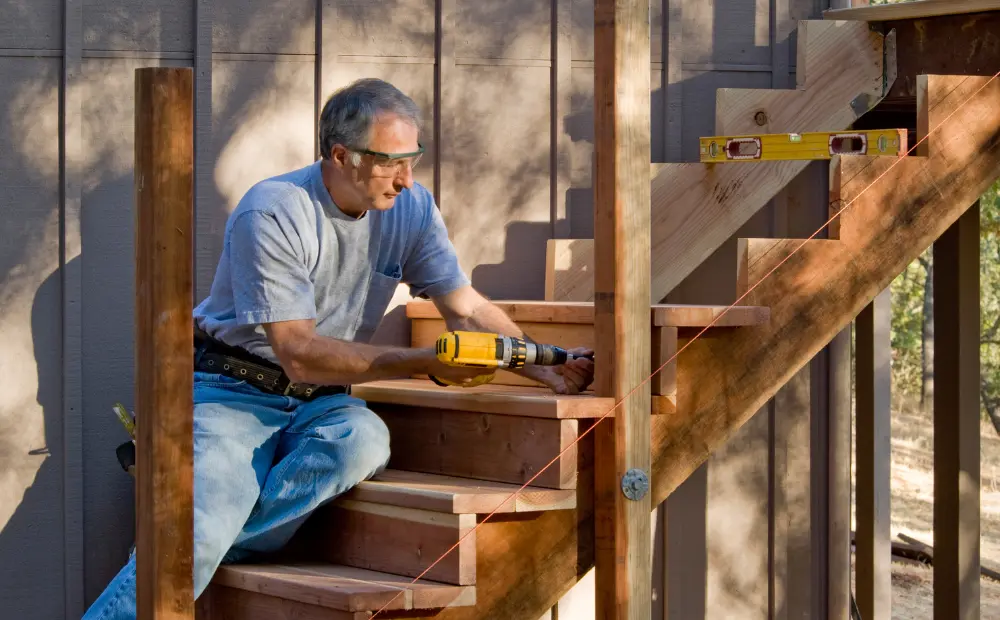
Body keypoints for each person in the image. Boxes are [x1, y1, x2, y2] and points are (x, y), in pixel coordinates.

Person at [82, 77, 594, 619]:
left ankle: (201, 543)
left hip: (320, 401)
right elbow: (297, 351)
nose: (406, 178)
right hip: (234, 389)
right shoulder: (275, 210)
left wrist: (543, 366)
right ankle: (195, 542)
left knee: (363, 441)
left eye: (413, 158)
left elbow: (463, 306)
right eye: (390, 162)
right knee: (201, 525)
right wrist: (422, 363)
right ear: (341, 154)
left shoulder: (411, 208)